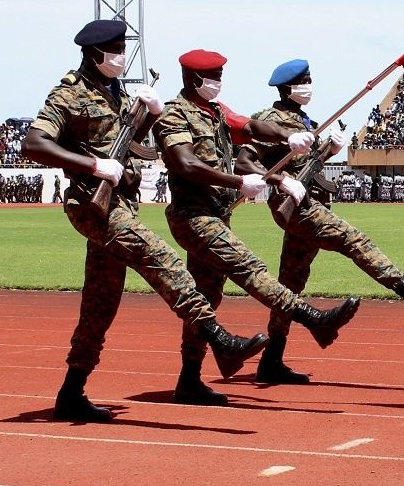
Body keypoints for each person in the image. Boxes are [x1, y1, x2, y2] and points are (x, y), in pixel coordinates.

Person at [21, 22, 269, 422]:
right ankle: (218, 338)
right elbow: (33, 143)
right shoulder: (68, 93)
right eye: (116, 49)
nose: (121, 56)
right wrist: (93, 165)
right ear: (93, 53)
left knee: (100, 303)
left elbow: (131, 144)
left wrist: (150, 116)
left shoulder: (115, 93)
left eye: (123, 48)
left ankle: (71, 392)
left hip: (121, 204)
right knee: (162, 260)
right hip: (91, 203)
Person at [152, 49, 360, 405]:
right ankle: (312, 319)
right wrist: (237, 182)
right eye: (212, 75)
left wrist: (286, 136)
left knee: (206, 298)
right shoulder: (173, 116)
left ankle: (188, 380)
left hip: (217, 213)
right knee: (249, 267)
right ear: (192, 79)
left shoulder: (215, 110)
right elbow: (185, 164)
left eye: (220, 74)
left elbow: (248, 126)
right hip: (192, 215)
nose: (218, 81)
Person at [236, 59, 404, 384]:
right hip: (296, 207)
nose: (309, 85)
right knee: (355, 240)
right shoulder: (271, 119)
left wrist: (327, 150)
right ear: (287, 87)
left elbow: (308, 164)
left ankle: (272, 359)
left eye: (310, 79)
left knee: (290, 283)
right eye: (304, 80)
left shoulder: (304, 120)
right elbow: (243, 163)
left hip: (310, 203)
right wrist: (280, 181)